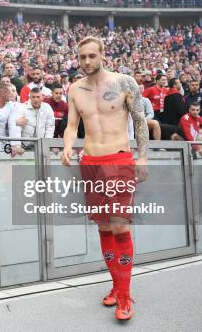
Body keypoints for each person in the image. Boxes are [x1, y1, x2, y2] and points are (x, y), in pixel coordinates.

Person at [62, 36, 148, 321]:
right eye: (82, 57)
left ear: (102, 55)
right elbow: (73, 124)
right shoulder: (75, 89)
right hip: (90, 162)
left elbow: (139, 120)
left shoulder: (124, 82)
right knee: (104, 228)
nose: (86, 62)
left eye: (91, 56)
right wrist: (66, 146)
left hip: (119, 159)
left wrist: (143, 156)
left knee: (120, 228)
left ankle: (124, 297)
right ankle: (116, 285)